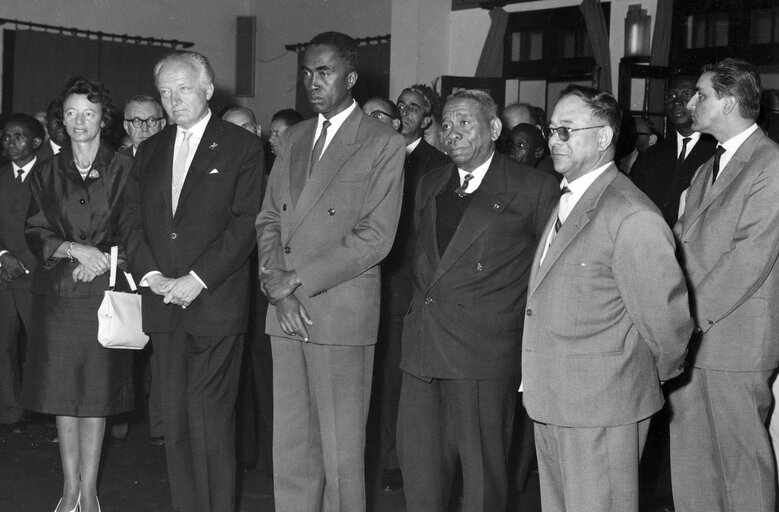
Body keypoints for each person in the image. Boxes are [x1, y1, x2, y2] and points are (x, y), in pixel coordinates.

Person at [521, 85, 692, 512]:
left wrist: (626, 379)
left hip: (602, 407)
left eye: (567, 130)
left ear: (603, 138)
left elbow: (668, 327)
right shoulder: (569, 199)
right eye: (552, 129)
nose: (554, 140)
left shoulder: (630, 214)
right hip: (554, 398)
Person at [256, 31, 404, 512]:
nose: (312, 82)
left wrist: (295, 280)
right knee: (292, 450)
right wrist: (278, 290)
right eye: (306, 72)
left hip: (338, 312)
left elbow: (375, 238)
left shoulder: (382, 142)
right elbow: (269, 221)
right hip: (285, 311)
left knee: (342, 458)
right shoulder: (294, 137)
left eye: (324, 71)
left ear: (351, 76)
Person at [398, 89, 558, 512]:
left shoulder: (534, 188)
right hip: (422, 350)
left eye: (464, 123)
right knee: (420, 476)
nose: (452, 133)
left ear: (494, 128)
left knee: (483, 484)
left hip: (483, 355)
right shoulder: (431, 183)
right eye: (446, 125)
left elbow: (549, 274)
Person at [124, 50, 264, 512]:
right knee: (176, 423)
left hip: (214, 303)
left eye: (182, 88)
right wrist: (151, 274)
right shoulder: (150, 149)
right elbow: (131, 221)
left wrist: (197, 279)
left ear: (207, 89)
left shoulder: (242, 146)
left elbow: (245, 224)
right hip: (163, 301)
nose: (172, 100)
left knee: (212, 422)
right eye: (165, 92)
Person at [22, 77, 136, 512]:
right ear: (60, 119)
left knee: (97, 397)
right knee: (62, 396)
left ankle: (90, 494)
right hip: (57, 298)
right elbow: (34, 229)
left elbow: (137, 230)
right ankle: (69, 490)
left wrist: (105, 259)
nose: (79, 121)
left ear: (103, 119)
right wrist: (73, 249)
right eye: (70, 113)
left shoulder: (125, 167)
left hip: (104, 294)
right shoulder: (46, 171)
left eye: (88, 113)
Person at [670, 58, 779, 512]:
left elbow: (749, 256)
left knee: (740, 464)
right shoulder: (706, 167)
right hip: (693, 336)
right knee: (693, 462)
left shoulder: (770, 164)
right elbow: (680, 243)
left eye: (702, 95)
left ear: (729, 102)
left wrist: (686, 317)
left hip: (734, 338)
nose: (691, 103)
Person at [375, 85, 449, 493]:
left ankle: (398, 462)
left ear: (426, 119)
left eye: (414, 108)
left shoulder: (437, 164)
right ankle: (381, 452)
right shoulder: (378, 149)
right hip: (373, 280)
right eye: (400, 105)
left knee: (400, 378)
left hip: (410, 284)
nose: (404, 112)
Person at [221, 104, 274, 477]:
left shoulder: (276, 175)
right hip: (225, 289)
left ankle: (275, 461)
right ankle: (243, 456)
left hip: (265, 291)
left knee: (268, 378)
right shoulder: (215, 178)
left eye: (245, 128)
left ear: (258, 131)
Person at [0, 114, 44, 438]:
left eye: (19, 137)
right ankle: (11, 412)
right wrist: (3, 256)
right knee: (3, 344)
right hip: (3, 274)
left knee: (41, 344)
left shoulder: (49, 176)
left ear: (36, 142)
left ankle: (44, 410)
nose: (11, 143)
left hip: (37, 275)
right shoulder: (1, 177)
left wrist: (26, 261)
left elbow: (52, 228)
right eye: (6, 137)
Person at [632, 72, 717, 225]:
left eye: (686, 95)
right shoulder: (651, 155)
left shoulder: (716, 152)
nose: (677, 102)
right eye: (671, 96)